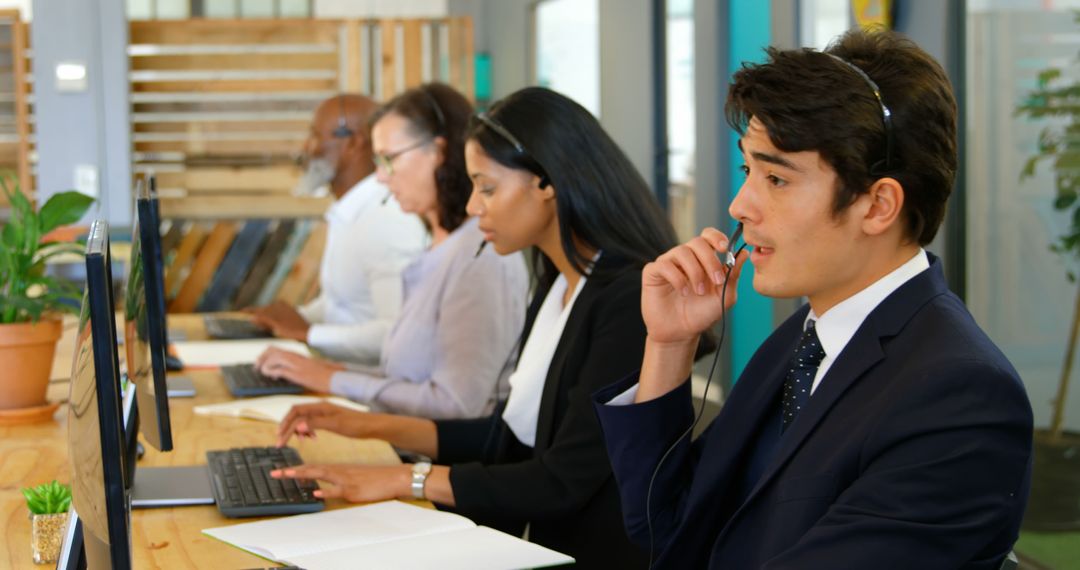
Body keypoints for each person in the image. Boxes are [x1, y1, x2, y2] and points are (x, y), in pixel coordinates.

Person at [592, 28, 1034, 569]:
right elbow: (664, 526)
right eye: (746, 170)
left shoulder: (960, 394)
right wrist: (669, 342)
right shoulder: (802, 341)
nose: (739, 205)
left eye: (776, 178)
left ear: (878, 206)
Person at [268, 87, 685, 568]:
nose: (472, 207)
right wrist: (362, 424)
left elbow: (560, 480)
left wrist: (407, 479)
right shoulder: (559, 285)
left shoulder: (625, 300)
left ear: (545, 182)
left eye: (487, 187)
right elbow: (506, 439)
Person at [255, 83, 528, 419]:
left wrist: (330, 378)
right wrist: (323, 372)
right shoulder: (441, 245)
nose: (380, 177)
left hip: (437, 462)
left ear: (438, 152)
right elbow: (406, 377)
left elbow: (455, 405)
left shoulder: (480, 256)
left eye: (389, 159)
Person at [250, 94, 427, 365]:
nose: (307, 148)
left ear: (353, 143)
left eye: (316, 136)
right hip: (336, 372)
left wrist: (309, 333)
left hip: (367, 389)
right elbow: (345, 303)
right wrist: (294, 318)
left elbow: (397, 333)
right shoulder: (351, 211)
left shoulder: (385, 220)